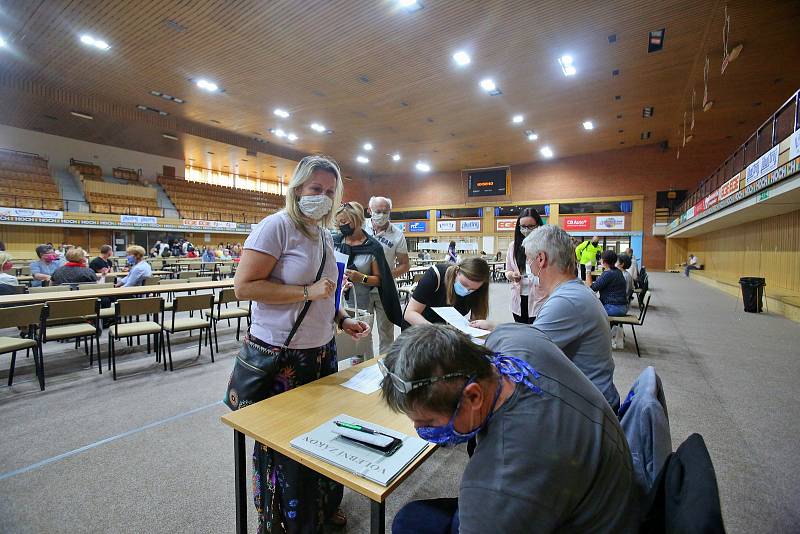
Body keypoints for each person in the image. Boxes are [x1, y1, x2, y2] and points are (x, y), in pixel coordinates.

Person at [382, 324, 638, 534]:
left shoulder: (498, 484)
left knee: (409, 524)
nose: (418, 429)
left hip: (584, 519)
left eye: (427, 423)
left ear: (473, 397)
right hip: (604, 489)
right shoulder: (516, 338)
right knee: (412, 519)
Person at [233, 155, 370, 532]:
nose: (322, 197)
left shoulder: (324, 235)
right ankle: (286, 521)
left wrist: (343, 319)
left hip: (321, 351)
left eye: (329, 192)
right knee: (286, 446)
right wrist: (305, 291)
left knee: (324, 435)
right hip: (282, 356)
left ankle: (322, 508)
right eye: (315, 189)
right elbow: (244, 287)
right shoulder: (274, 227)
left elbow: (326, 296)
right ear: (297, 189)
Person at [471, 225, 619, 410]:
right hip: (593, 395)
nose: (529, 268)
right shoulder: (575, 291)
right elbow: (535, 335)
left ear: (541, 259)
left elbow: (523, 355)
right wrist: (497, 328)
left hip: (586, 408)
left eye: (528, 260)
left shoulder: (565, 302)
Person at [334, 201, 404, 358]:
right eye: (339, 223)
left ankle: (382, 367)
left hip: (369, 295)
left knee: (378, 333)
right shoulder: (336, 242)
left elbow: (380, 279)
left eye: (344, 222)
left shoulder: (373, 247)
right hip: (348, 299)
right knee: (356, 341)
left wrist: (361, 277)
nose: (341, 226)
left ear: (357, 220)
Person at [363, 195, 410, 353]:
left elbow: (405, 265)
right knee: (362, 331)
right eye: (378, 211)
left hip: (385, 290)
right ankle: (363, 369)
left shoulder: (397, 234)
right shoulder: (360, 228)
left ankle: (386, 369)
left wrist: (386, 276)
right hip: (361, 287)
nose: (382, 215)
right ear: (369, 211)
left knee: (386, 333)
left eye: (386, 211)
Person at [405, 257, 490, 325]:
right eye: (464, 284)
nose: (466, 290)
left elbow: (477, 321)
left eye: (472, 289)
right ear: (457, 271)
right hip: (416, 326)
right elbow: (410, 313)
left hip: (443, 331)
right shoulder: (436, 275)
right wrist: (436, 332)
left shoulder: (480, 288)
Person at [505, 208, 547, 324]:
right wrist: (512, 275)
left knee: (537, 332)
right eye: (523, 226)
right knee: (521, 331)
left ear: (538, 226)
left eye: (530, 226)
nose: (526, 230)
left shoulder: (545, 247)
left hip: (540, 299)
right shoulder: (513, 246)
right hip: (518, 298)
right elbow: (508, 271)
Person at [590, 250, 629, 317]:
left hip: (614, 308)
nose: (600, 260)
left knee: (588, 310)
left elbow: (592, 288)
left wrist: (588, 271)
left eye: (601, 259)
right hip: (622, 307)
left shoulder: (608, 273)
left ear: (604, 262)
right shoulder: (617, 271)